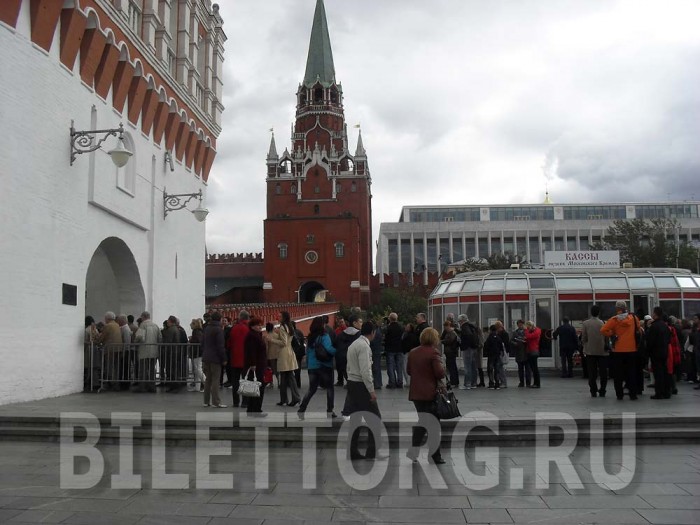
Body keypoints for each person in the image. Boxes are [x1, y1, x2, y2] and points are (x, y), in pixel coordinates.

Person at [345, 321, 385, 461]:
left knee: (355, 419)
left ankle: (353, 451)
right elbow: (365, 371)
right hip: (361, 385)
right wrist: (371, 390)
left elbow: (348, 366)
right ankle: (372, 452)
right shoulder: (364, 347)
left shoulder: (354, 345)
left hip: (352, 383)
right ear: (373, 332)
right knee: (375, 418)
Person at [407, 327, 446, 465]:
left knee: (423, 421)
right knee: (433, 424)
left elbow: (409, 371)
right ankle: (435, 456)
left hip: (416, 393)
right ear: (434, 338)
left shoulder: (413, 352)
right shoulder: (434, 352)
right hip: (430, 393)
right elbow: (440, 373)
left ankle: (413, 452)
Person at [298, 316, 337, 419]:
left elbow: (308, 353)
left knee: (312, 389)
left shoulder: (310, 337)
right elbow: (329, 349)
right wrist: (337, 351)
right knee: (329, 388)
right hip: (324, 366)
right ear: (322, 325)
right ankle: (329, 411)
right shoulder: (324, 336)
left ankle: (302, 409)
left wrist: (309, 365)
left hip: (312, 367)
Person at [601, 300, 641, 400]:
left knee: (618, 374)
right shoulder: (633, 318)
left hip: (618, 350)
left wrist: (612, 334)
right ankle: (633, 394)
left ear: (617, 309)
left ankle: (619, 394)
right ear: (625, 308)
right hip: (632, 349)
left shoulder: (614, 320)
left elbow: (603, 330)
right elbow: (639, 330)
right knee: (631, 372)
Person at [269, 311, 301, 407]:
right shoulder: (288, 326)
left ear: (283, 317)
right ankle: (287, 399)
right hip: (289, 352)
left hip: (284, 354)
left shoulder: (283, 327)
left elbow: (283, 342)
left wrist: (271, 340)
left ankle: (290, 398)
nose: (277, 317)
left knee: (286, 377)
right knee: (287, 377)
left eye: (279, 316)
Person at [201, 312, 227, 408]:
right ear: (220, 319)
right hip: (215, 358)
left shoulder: (207, 328)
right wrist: (224, 358)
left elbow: (202, 343)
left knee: (208, 380)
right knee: (216, 380)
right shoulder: (218, 330)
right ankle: (216, 402)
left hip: (206, 357)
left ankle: (206, 401)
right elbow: (220, 346)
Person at [581, 305, 608, 397]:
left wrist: (585, 345)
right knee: (603, 372)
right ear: (599, 313)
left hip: (590, 351)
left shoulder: (585, 323)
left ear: (590, 313)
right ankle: (603, 390)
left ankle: (593, 390)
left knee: (592, 372)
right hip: (602, 351)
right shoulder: (604, 323)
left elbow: (584, 338)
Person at [244, 317, 269, 416]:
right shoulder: (252, 336)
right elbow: (251, 351)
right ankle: (256, 409)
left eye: (260, 324)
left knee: (254, 387)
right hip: (256, 366)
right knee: (258, 387)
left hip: (258, 365)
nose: (260, 326)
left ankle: (251, 408)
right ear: (252, 326)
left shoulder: (255, 335)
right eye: (258, 325)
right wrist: (253, 364)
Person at [646, 307, 671, 399]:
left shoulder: (654, 326)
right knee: (664, 371)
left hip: (655, 353)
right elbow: (669, 338)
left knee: (658, 373)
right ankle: (666, 391)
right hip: (664, 351)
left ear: (655, 314)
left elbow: (650, 341)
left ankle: (659, 392)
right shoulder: (664, 326)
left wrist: (648, 352)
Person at [133, 311, 161, 393]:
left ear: (143, 317)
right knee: (152, 370)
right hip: (154, 351)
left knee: (143, 369)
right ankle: (152, 387)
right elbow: (160, 338)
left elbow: (140, 337)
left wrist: (135, 342)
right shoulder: (155, 325)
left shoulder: (143, 325)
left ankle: (142, 387)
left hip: (144, 350)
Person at [228, 310, 250, 408]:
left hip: (235, 359)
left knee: (235, 382)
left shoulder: (234, 328)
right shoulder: (248, 328)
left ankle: (235, 402)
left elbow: (229, 343)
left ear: (240, 317)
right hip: (246, 359)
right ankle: (245, 402)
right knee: (245, 381)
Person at [97, 311, 123, 390]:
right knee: (116, 367)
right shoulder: (117, 325)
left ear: (107, 318)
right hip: (118, 349)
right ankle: (116, 383)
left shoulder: (108, 326)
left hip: (110, 349)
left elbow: (102, 337)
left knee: (109, 367)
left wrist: (97, 341)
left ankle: (112, 383)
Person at [335, 315, 362, 387]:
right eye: (360, 322)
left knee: (345, 371)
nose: (361, 324)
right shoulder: (359, 334)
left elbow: (337, 345)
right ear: (354, 323)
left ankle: (348, 381)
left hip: (342, 357)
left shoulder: (341, 334)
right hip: (354, 357)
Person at [458, 314, 480, 389]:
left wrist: (463, 344)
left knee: (467, 366)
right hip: (474, 348)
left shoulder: (464, 327)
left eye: (459, 321)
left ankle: (467, 383)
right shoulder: (472, 326)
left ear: (462, 321)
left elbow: (468, 335)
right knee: (473, 366)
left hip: (467, 349)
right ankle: (474, 383)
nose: (459, 323)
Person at [384, 313, 404, 389]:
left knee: (391, 366)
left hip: (390, 349)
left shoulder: (388, 328)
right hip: (399, 348)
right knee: (399, 366)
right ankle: (400, 382)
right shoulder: (401, 327)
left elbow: (386, 337)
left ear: (390, 319)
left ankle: (392, 383)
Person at [440, 321, 460, 387]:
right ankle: (453, 381)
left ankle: (454, 382)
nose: (445, 328)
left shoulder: (452, 333)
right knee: (451, 367)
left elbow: (449, 341)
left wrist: (442, 341)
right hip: (449, 352)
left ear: (449, 326)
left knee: (452, 367)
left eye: (446, 326)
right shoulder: (449, 332)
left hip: (451, 352)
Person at [484, 325, 504, 390]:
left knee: (490, 369)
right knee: (496, 370)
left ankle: (491, 383)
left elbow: (486, 346)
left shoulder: (489, 337)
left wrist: (486, 353)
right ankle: (497, 384)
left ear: (490, 330)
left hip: (491, 355)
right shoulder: (498, 337)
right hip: (497, 355)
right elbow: (501, 347)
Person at [510, 320, 530, 387]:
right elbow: (511, 340)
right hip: (518, 352)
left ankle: (528, 382)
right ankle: (521, 382)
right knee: (520, 369)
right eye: (519, 324)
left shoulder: (526, 331)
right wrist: (515, 343)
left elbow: (530, 339)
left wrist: (526, 341)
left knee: (527, 369)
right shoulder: (515, 332)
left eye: (521, 324)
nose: (520, 325)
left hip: (526, 352)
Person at [189, 318, 205, 392]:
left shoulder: (196, 331)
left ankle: (207, 383)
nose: (190, 325)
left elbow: (198, 340)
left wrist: (191, 340)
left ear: (194, 325)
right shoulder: (198, 331)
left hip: (197, 352)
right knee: (197, 369)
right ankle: (197, 387)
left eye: (191, 323)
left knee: (198, 369)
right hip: (198, 352)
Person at [524, 321, 541, 388]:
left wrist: (526, 330)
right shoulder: (533, 331)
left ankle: (537, 383)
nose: (528, 328)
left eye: (529, 327)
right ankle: (535, 383)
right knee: (533, 368)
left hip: (533, 351)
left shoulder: (537, 331)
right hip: (529, 350)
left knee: (535, 368)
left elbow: (528, 336)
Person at [291, 321, 306, 388]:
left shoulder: (291, 334)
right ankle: (298, 383)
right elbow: (303, 342)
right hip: (300, 352)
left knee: (294, 368)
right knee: (298, 368)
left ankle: (294, 383)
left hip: (294, 352)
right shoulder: (299, 332)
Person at [494, 321, 509, 388]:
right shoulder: (500, 333)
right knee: (499, 368)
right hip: (500, 352)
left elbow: (505, 343)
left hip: (501, 352)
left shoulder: (503, 334)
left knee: (500, 368)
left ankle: (503, 382)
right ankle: (501, 381)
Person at [370, 322, 384, 389]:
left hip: (375, 351)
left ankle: (377, 383)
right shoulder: (378, 331)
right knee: (376, 367)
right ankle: (378, 383)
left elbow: (373, 341)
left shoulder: (376, 332)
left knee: (375, 367)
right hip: (377, 351)